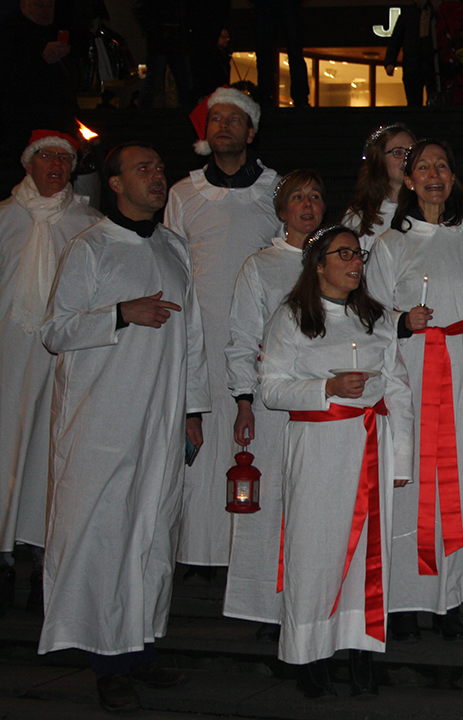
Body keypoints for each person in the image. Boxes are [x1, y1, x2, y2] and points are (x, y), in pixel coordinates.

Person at [39, 141, 210, 712]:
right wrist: (119, 313)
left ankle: (140, 649)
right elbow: (56, 331)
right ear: (114, 183)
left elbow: (192, 338)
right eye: (144, 169)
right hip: (102, 421)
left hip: (160, 418)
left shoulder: (173, 246)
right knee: (103, 536)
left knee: (153, 534)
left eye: (160, 168)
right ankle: (104, 659)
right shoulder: (90, 248)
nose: (157, 176)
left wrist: (192, 409)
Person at [259, 226, 413, 698]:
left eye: (358, 253)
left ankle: (361, 650)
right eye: (342, 253)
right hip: (318, 446)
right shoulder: (292, 317)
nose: (355, 262)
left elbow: (398, 387)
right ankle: (309, 656)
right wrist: (325, 389)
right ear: (319, 264)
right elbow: (270, 388)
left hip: (370, 444)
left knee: (370, 547)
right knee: (315, 550)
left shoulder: (378, 317)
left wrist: (401, 456)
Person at [366, 139, 463, 643]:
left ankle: (451, 598)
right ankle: (404, 599)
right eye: (422, 167)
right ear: (408, 180)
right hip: (411, 370)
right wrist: (402, 321)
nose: (432, 175)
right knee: (410, 480)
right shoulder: (390, 244)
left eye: (441, 166)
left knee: (460, 478)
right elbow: (370, 313)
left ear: (453, 178)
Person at [166, 87, 280, 581]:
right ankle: (201, 549)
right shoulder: (182, 193)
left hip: (259, 333)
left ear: (251, 131)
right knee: (204, 439)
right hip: (202, 333)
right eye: (215, 119)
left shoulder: (276, 188)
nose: (224, 127)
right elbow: (171, 263)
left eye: (235, 120)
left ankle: (249, 548)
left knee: (256, 440)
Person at [0, 130, 102, 613]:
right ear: (29, 163)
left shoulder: (88, 223)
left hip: (61, 360)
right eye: (47, 156)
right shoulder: (4, 218)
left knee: (51, 453)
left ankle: (46, 563)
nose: (57, 165)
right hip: (7, 357)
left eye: (66, 157)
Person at [223, 169, 326, 640]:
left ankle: (312, 598)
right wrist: (244, 400)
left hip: (324, 402)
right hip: (271, 401)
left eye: (315, 197)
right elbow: (242, 338)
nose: (307, 205)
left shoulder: (338, 262)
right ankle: (266, 605)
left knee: (315, 501)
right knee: (273, 502)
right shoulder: (260, 266)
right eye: (298, 198)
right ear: (282, 210)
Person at [0, 0, 80, 194]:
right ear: (23, 5)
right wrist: (41, 60)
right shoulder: (9, 32)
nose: (45, 11)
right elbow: (8, 76)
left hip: (57, 119)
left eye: (50, 6)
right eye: (38, 5)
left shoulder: (57, 30)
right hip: (21, 123)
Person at [343, 123, 417, 250]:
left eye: (411, 152)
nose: (406, 159)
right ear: (379, 159)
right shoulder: (359, 217)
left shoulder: (427, 209)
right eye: (397, 152)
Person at [384, 1, 438, 107]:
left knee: (416, 101)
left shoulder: (408, 14)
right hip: (427, 62)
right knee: (432, 99)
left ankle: (417, 121)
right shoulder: (434, 13)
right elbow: (396, 40)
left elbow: (395, 40)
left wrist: (390, 61)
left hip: (415, 62)